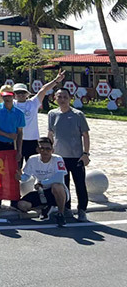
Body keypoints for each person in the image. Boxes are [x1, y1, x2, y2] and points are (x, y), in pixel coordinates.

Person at [48, 88, 91, 222]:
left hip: (76, 156)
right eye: (59, 97)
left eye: (65, 97)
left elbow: (85, 135)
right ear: (55, 98)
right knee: (63, 185)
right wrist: (49, 150)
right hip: (60, 157)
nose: (62, 99)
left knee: (80, 184)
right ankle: (66, 208)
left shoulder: (78, 115)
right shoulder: (52, 114)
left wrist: (86, 154)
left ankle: (82, 210)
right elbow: (50, 133)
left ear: (70, 98)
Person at [17, 137, 68, 227]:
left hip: (56, 192)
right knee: (22, 205)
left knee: (56, 186)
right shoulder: (32, 159)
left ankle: (60, 213)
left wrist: (43, 183)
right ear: (37, 149)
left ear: (52, 150)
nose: (45, 151)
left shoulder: (58, 159)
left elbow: (59, 178)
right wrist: (20, 177)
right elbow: (26, 176)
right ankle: (44, 209)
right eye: (42, 148)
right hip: (41, 192)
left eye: (48, 149)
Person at [0, 86, 25, 209]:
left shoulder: (19, 113)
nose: (7, 98)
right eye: (5, 96)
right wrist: (6, 134)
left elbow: (20, 133)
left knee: (13, 173)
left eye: (9, 96)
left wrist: (19, 151)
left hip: (12, 146)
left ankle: (14, 199)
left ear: (13, 96)